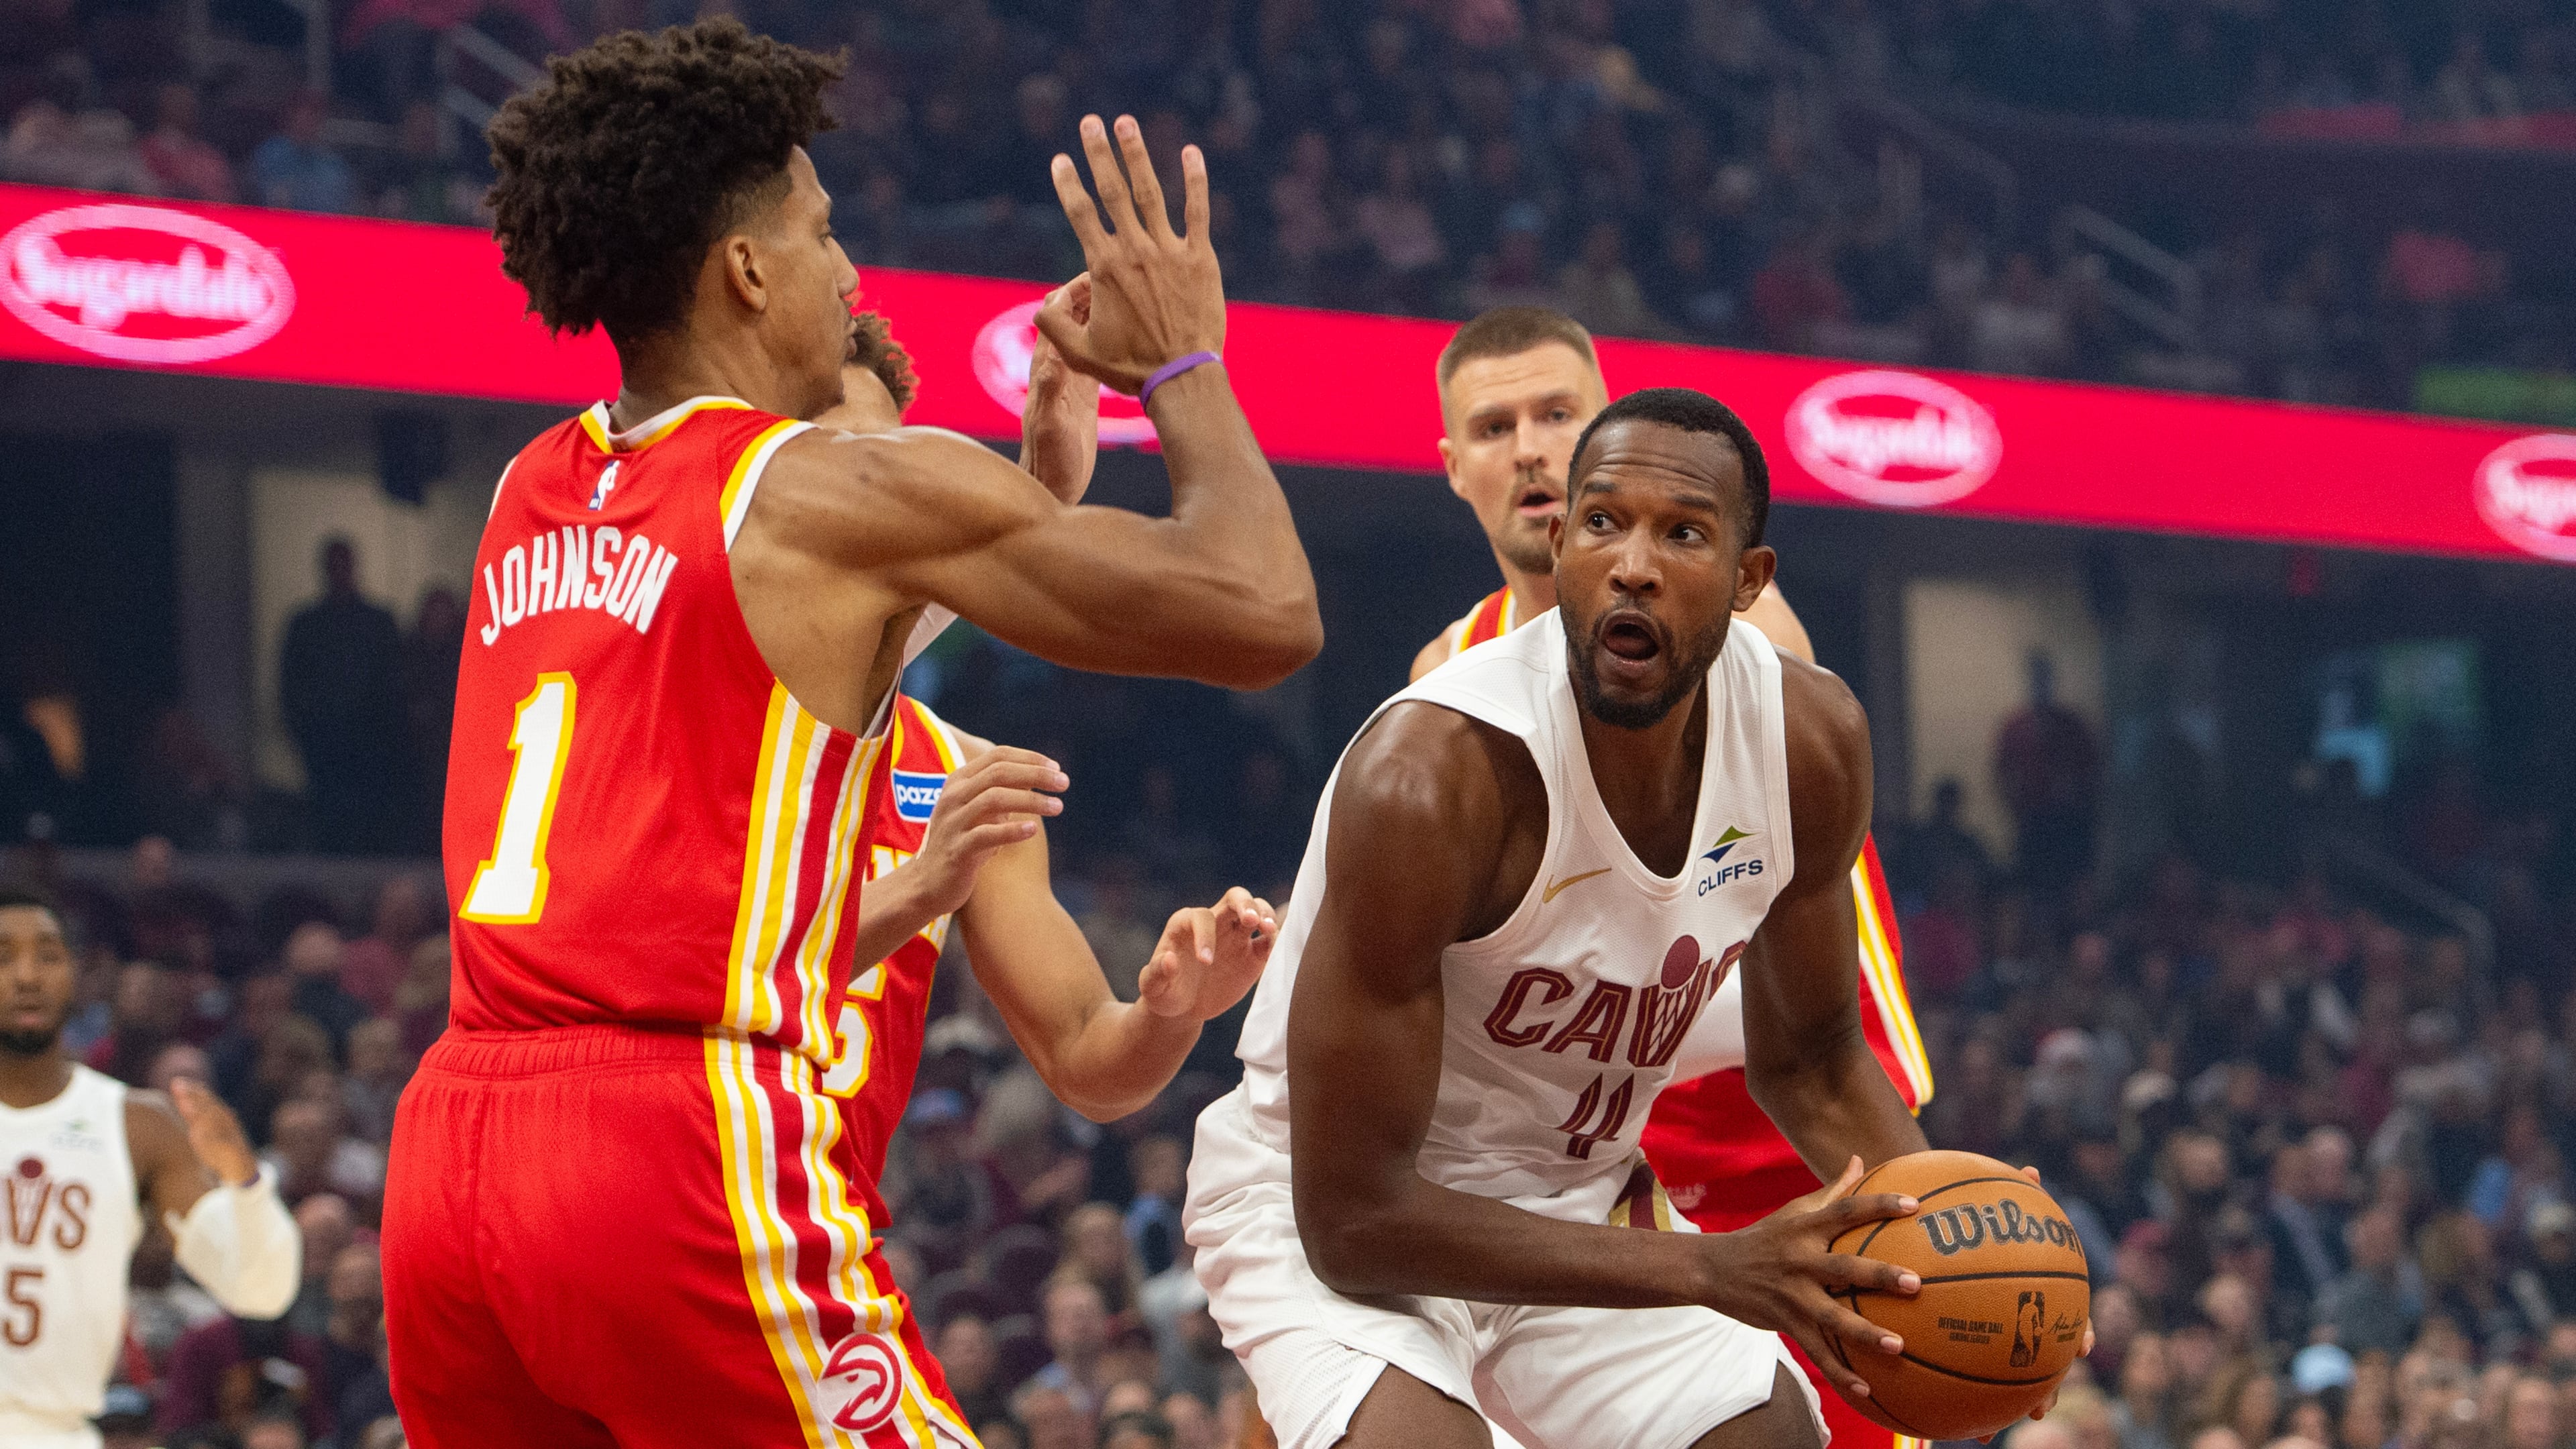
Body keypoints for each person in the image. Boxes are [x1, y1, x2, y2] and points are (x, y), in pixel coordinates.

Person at [382, 19, 1319, 1449]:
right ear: (747, 270)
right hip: (667, 1141)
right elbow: (1263, 612)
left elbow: (787, 632)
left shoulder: (534, 485)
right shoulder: (819, 487)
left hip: (451, 1157)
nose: (849, 271)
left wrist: (1038, 486)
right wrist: (1185, 360)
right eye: (822, 234)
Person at [1185, 389, 2010, 1449]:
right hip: (1329, 1208)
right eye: (1604, 523)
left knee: (1765, 1435)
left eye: (1684, 534)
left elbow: (1811, 1063)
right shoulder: (1431, 777)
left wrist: (1963, 1253)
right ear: (1562, 545)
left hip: (1571, 1202)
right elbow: (1356, 1219)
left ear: (1749, 579)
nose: (1633, 565)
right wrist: (1708, 1267)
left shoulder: (1810, 743)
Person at [1404, 306, 1933, 1449]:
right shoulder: (1447, 675)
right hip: (1608, 1159)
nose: (1531, 448)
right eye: (1494, 427)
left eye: (1558, 414)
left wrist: (1952, 1210)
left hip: (1795, 1123)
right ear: (1453, 467)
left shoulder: (1748, 640)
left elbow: (1785, 1021)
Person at [0, 885, 301, 1448]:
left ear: (79, 974)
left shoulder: (136, 1125)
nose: (27, 976)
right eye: (3, 956)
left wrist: (245, 1183)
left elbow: (260, 1291)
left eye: (47, 955)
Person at [278, 537, 409, 854]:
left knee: (369, 832)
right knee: (330, 830)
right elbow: (291, 688)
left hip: (372, 750)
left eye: (343, 563)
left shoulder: (378, 623)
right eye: (333, 564)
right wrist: (307, 734)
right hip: (323, 749)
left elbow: (394, 684)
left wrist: (386, 736)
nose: (339, 571)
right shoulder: (305, 626)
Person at [1993, 651, 2100, 889]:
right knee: (2035, 886)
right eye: (2036, 678)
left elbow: (2092, 770)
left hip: (2070, 823)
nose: (2040, 684)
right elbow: (2001, 774)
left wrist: (2077, 796)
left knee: (2072, 885)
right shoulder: (2016, 726)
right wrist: (2017, 806)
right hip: (2033, 822)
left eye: (2044, 677)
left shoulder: (2071, 724)